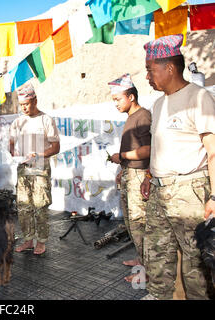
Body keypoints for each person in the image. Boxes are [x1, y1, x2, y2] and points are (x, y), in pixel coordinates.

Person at [140, 34, 215, 300]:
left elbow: (213, 151)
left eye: (150, 70)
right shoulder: (158, 104)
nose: (148, 76)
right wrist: (150, 175)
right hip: (159, 193)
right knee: (157, 255)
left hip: (189, 193)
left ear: (169, 68)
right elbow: (161, 146)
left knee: (195, 263)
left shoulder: (199, 98)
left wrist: (214, 197)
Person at [107, 74, 151, 282]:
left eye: (118, 99)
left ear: (131, 97)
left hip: (140, 176)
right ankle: (142, 259)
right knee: (131, 222)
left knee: (140, 222)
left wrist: (122, 157)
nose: (115, 103)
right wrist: (123, 169)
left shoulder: (143, 116)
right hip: (130, 175)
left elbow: (148, 150)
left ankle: (148, 272)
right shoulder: (131, 118)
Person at [9, 83, 60, 255]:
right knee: (23, 207)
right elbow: (11, 145)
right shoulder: (17, 122)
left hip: (40, 171)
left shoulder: (46, 120)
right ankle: (28, 240)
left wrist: (39, 154)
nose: (24, 108)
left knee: (40, 206)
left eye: (27, 104)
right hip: (23, 171)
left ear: (35, 100)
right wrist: (13, 151)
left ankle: (41, 242)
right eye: (21, 105)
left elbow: (56, 147)